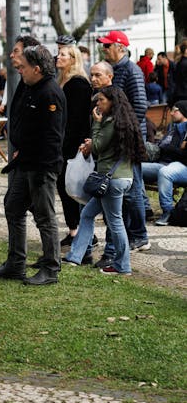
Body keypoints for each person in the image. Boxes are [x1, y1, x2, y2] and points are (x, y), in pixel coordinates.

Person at [0, 43, 66, 286]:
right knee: (13, 205)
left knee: (44, 215)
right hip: (26, 161)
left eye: (25, 66)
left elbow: (53, 136)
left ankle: (51, 268)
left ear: (38, 68)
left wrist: (43, 168)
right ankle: (16, 263)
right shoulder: (31, 86)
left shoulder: (49, 92)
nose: (20, 70)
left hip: (41, 165)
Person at [64, 86, 146, 275]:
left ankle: (123, 266)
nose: (98, 103)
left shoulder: (110, 122)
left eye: (101, 100)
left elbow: (98, 147)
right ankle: (75, 257)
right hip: (119, 178)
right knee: (87, 215)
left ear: (112, 101)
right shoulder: (124, 121)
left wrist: (96, 124)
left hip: (111, 180)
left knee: (115, 222)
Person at [98, 30, 150, 252]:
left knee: (134, 188)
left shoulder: (131, 70)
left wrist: (126, 135)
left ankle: (139, 235)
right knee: (129, 189)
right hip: (121, 137)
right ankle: (131, 233)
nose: (104, 49)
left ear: (120, 47)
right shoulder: (118, 70)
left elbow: (139, 106)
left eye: (108, 45)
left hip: (129, 140)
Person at [55, 40, 92, 248]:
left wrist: (66, 146)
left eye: (63, 55)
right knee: (66, 187)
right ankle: (75, 229)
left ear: (73, 60)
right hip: (67, 142)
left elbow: (76, 120)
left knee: (70, 187)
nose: (58, 57)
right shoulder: (65, 81)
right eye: (58, 54)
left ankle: (79, 231)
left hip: (73, 145)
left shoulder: (77, 83)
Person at [142, 101, 187, 225]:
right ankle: (145, 207)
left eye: (175, 110)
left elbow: (176, 151)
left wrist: (172, 149)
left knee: (165, 172)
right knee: (134, 168)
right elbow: (172, 148)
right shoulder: (175, 127)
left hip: (180, 165)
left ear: (183, 111)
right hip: (168, 163)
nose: (171, 113)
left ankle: (168, 212)